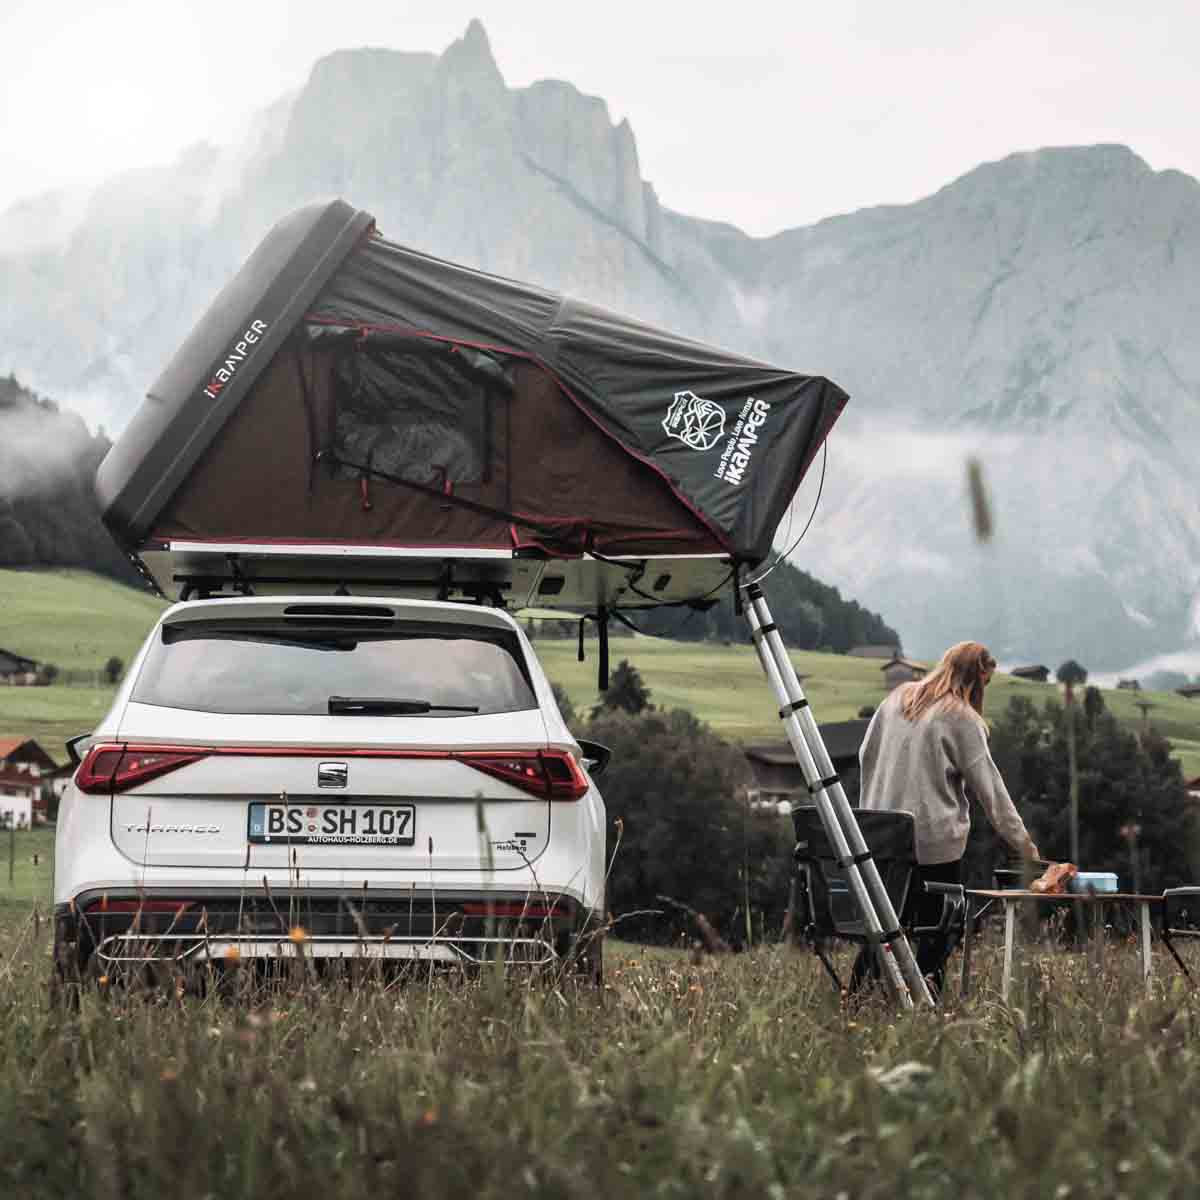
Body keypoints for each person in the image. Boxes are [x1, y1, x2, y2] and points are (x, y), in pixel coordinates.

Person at [850, 641, 1039, 996]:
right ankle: (921, 998)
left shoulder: (898, 697)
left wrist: (873, 812)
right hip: (931, 845)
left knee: (886, 926)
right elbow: (992, 792)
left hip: (879, 838)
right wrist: (1023, 844)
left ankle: (856, 999)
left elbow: (865, 754)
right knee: (944, 925)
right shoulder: (963, 718)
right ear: (980, 677)